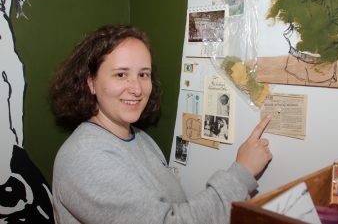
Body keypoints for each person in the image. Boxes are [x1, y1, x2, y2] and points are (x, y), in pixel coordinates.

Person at [50, 24, 273, 224]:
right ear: (91, 83)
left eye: (143, 74)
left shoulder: (140, 138)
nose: (137, 89)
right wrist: (242, 172)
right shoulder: (84, 157)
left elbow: (172, 209)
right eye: (120, 74)